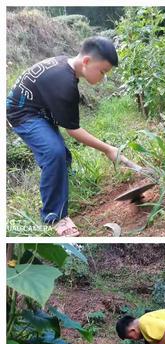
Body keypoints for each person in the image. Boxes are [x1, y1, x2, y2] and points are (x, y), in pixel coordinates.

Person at [7, 36, 126, 236]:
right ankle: (55, 217)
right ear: (87, 61)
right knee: (53, 152)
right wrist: (109, 149)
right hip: (23, 113)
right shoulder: (64, 83)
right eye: (103, 72)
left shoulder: (65, 65)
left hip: (39, 108)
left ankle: (63, 178)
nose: (103, 78)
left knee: (60, 152)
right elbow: (74, 131)